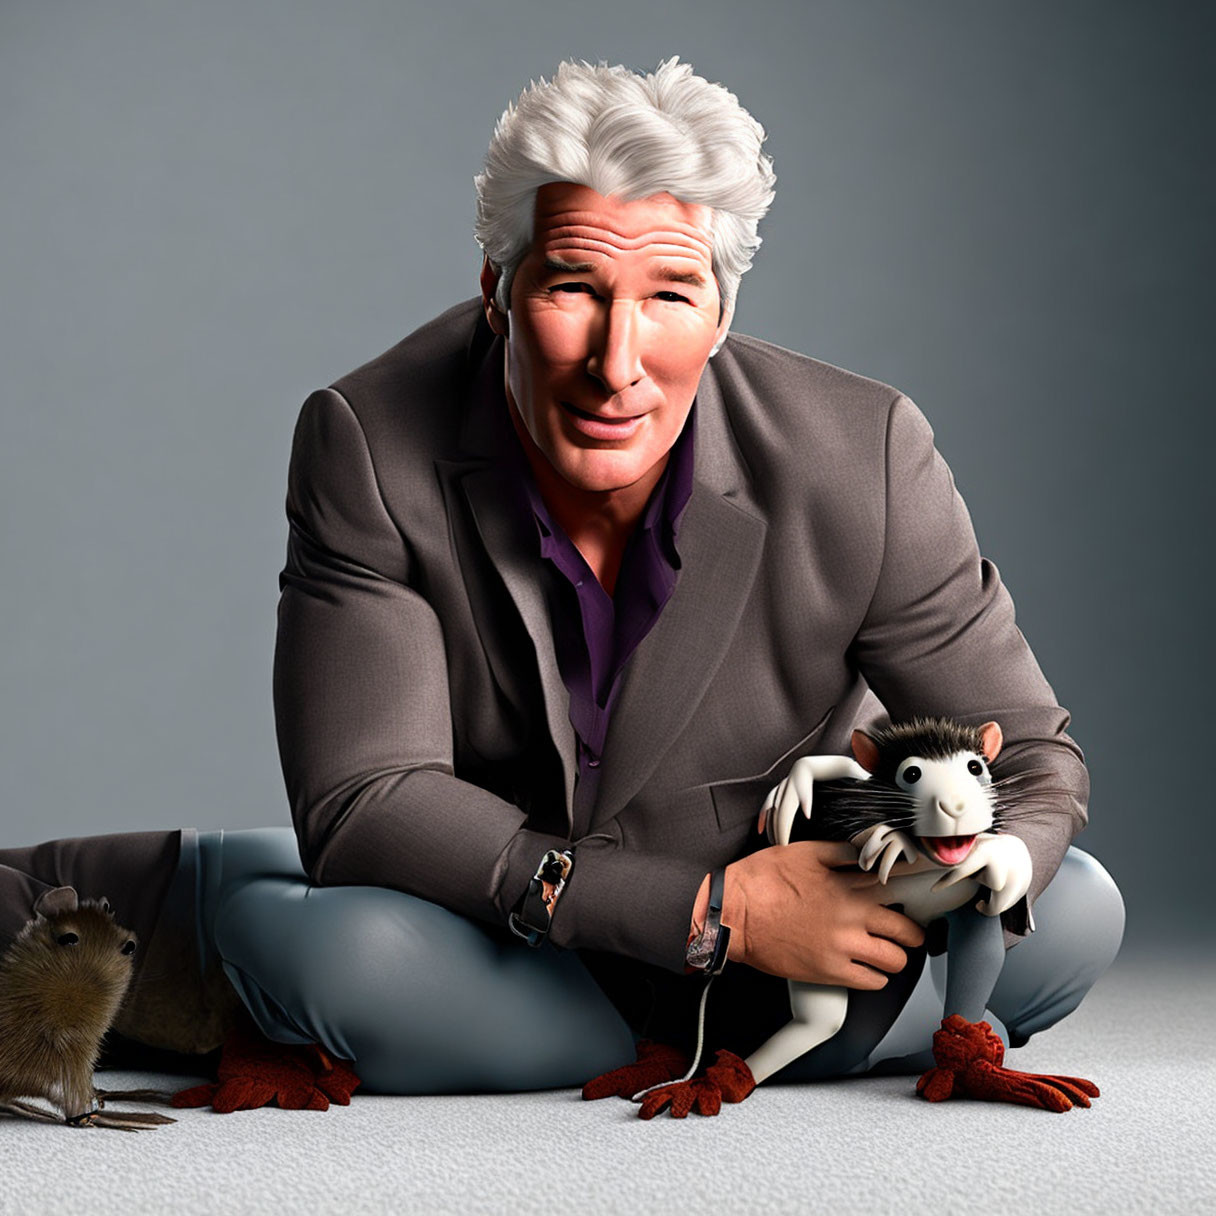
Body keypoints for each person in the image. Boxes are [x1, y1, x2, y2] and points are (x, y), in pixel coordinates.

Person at [0, 59, 1122, 1104]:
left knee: (1069, 907)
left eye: (672, 297)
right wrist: (713, 913)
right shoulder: (370, 439)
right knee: (333, 954)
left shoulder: (864, 448)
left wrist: (963, 866)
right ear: (497, 289)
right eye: (574, 289)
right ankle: (738, 1034)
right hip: (520, 923)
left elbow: (1026, 751)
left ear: (722, 315)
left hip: (817, 905)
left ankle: (704, 1033)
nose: (618, 361)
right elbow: (366, 799)